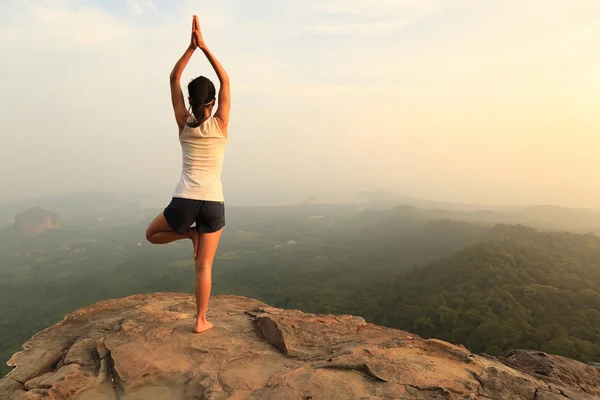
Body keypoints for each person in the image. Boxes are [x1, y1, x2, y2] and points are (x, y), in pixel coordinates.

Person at [145, 15, 230, 334]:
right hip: (213, 203)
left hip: (183, 201)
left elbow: (173, 78)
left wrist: (190, 48)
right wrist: (205, 47)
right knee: (204, 265)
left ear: (191, 102)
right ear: (212, 101)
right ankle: (201, 321)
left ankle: (187, 234)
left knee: (151, 234)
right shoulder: (220, 123)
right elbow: (226, 81)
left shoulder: (184, 123)